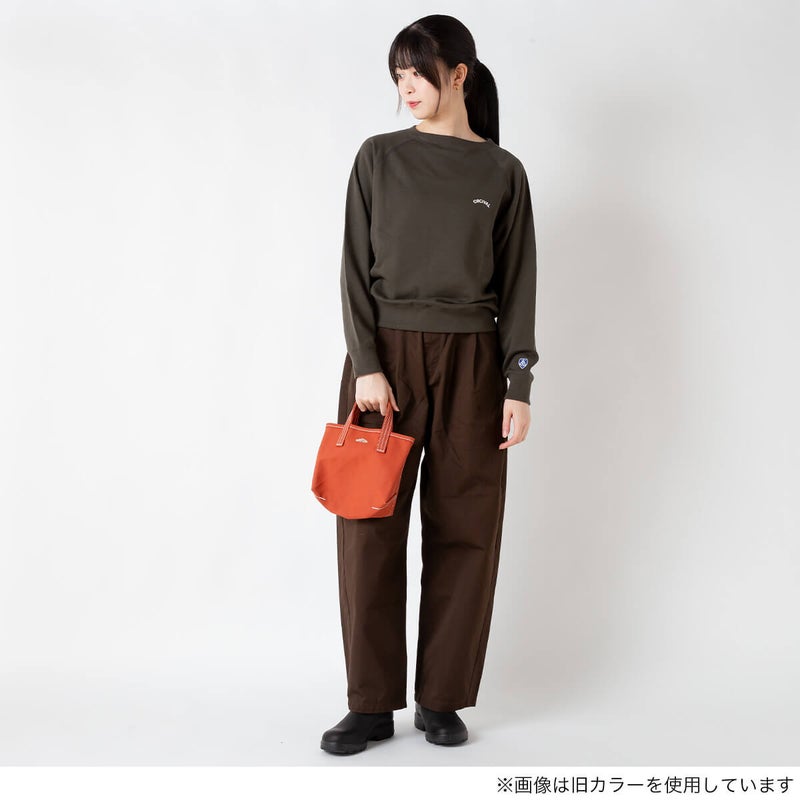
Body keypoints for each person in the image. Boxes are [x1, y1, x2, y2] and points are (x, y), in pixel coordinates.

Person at [320, 13, 539, 756]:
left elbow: (519, 283)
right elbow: (353, 270)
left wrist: (518, 382)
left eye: (418, 71)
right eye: (398, 74)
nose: (406, 87)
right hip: (384, 363)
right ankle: (370, 704)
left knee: (466, 530)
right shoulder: (378, 158)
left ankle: (441, 699)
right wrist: (367, 363)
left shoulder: (501, 172)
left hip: (474, 362)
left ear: (458, 74)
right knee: (368, 531)